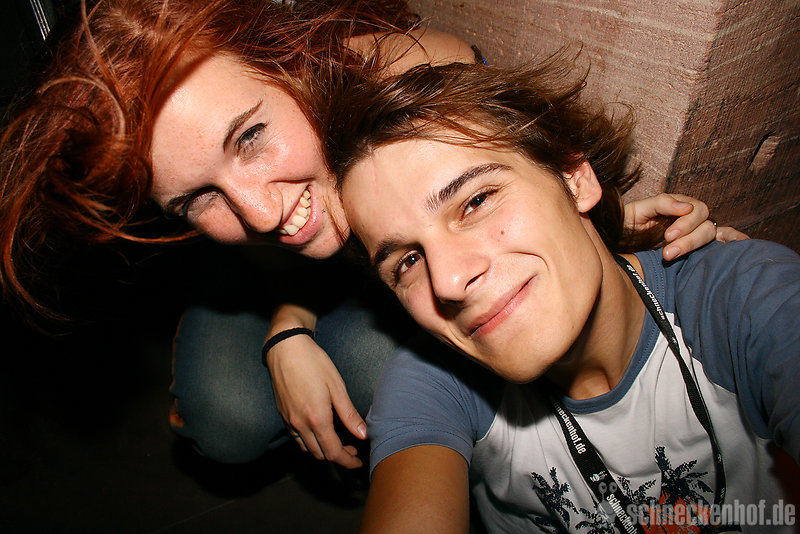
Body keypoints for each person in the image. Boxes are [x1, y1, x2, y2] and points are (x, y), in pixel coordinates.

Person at [0, 0, 730, 471]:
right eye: (197, 198)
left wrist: (617, 239)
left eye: (250, 137)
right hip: (270, 281)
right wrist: (287, 328)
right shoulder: (262, 209)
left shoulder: (415, 80)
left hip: (362, 284)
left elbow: (518, 195)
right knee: (223, 422)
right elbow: (274, 247)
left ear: (291, 60)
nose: (256, 212)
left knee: (391, 372)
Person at [328, 60, 799, 532]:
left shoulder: (746, 298)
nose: (448, 281)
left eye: (475, 201)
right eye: (408, 261)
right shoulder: (433, 383)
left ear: (575, 179)